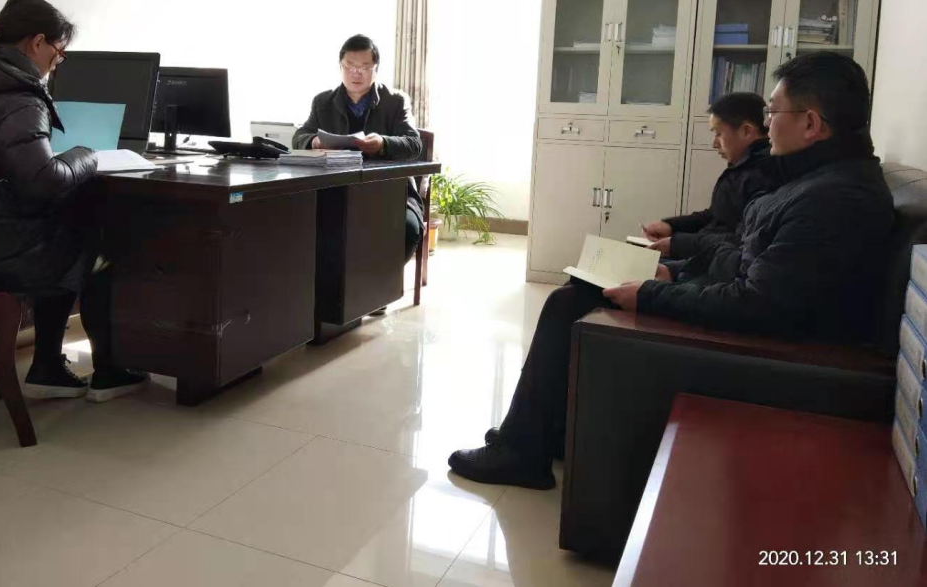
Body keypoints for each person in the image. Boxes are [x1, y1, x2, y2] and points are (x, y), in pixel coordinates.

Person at [448, 52, 894, 490]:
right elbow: (740, 253)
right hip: (735, 303)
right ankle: (543, 433)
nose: (767, 123)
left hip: (768, 352)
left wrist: (652, 293)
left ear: (811, 123)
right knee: (583, 283)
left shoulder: (833, 199)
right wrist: (675, 272)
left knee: (569, 301)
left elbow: (757, 303)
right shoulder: (818, 180)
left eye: (773, 112)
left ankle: (522, 452)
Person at [0, 0, 147, 402]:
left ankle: (48, 368)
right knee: (94, 246)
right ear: (37, 42)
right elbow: (44, 182)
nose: (57, 62)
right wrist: (85, 155)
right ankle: (107, 372)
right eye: (59, 52)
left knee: (62, 228)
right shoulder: (18, 95)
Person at [293, 34, 424, 264]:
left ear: (376, 69)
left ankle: (379, 282)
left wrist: (383, 143)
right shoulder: (322, 102)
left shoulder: (395, 101)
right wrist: (314, 141)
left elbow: (414, 144)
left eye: (364, 67)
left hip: (390, 192)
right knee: (311, 227)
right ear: (340, 66)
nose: (356, 73)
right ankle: (337, 284)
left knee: (408, 230)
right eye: (350, 66)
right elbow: (299, 137)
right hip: (335, 190)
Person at [642, 92, 774, 263]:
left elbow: (740, 241)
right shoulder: (743, 168)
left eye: (718, 133)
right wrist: (671, 226)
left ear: (746, 131)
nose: (714, 143)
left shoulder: (763, 176)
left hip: (717, 265)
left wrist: (678, 244)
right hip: (708, 257)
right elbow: (715, 217)